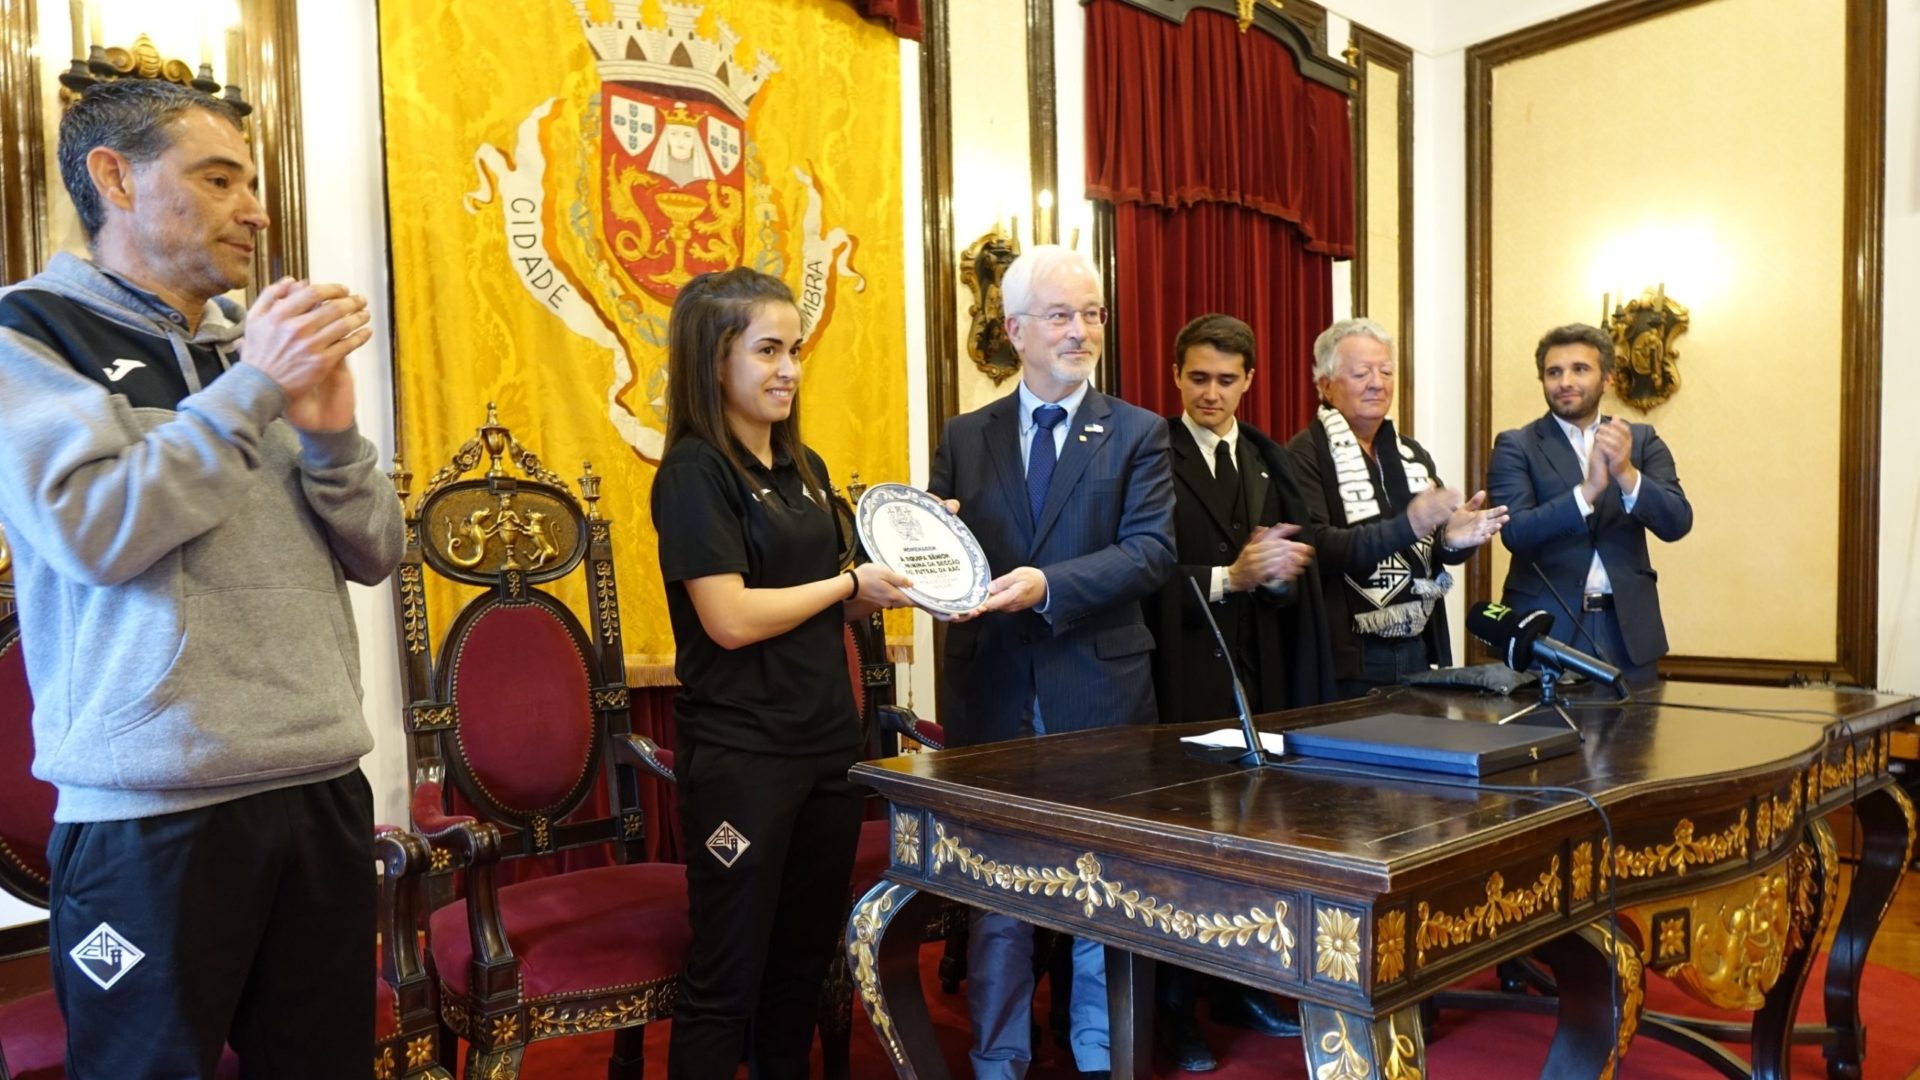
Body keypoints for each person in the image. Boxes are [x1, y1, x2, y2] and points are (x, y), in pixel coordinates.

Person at [0, 79, 401, 1077]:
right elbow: (97, 532)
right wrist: (254, 388)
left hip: (317, 783)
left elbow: (376, 551)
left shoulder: (248, 348)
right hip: (152, 811)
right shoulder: (32, 336)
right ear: (113, 180)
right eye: (218, 179)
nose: (255, 210)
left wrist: (332, 437)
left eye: (252, 183)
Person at [649, 267, 913, 1079]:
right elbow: (729, 619)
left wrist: (914, 563)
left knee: (800, 971)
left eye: (795, 350)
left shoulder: (807, 468)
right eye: (768, 350)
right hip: (744, 760)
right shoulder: (696, 472)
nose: (789, 370)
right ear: (712, 360)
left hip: (827, 750)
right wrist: (845, 585)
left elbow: (824, 601)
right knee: (728, 978)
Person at [929, 244, 1175, 1079]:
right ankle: (999, 1056)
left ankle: (1099, 1051)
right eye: (1063, 315)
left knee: (1098, 883)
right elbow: (943, 553)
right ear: (1014, 329)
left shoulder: (1139, 432)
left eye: (1094, 313)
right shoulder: (965, 437)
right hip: (991, 690)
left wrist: (1047, 585)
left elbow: (1151, 554)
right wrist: (929, 546)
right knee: (1000, 889)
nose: (1082, 331)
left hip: (1097, 688)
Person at [1145, 313, 1334, 1071]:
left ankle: (1232, 986)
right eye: (1198, 378)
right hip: (1180, 676)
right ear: (1175, 377)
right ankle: (1172, 1007)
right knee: (1181, 852)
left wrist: (1282, 577)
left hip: (1258, 675)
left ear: (1250, 381)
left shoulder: (1263, 460)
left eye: (1227, 380)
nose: (1211, 394)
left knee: (1247, 843)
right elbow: (1140, 571)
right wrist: (1232, 577)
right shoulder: (1151, 453)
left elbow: (1288, 570)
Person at [1286, 318, 1508, 700]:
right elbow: (1320, 547)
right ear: (1325, 386)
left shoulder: (1409, 454)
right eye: (1361, 373)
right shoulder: (1303, 454)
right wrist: (1411, 523)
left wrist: (1455, 541)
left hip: (1416, 646)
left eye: (1386, 371)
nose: (1378, 382)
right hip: (1346, 655)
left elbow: (1433, 549)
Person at [1487, 323, 1693, 686]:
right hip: (1545, 632)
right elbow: (1516, 533)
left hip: (1627, 632)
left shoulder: (1640, 440)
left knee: (1636, 742)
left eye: (1580, 369)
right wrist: (1589, 491)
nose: (1565, 381)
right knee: (1547, 742)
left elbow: (1677, 522)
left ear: (1608, 378)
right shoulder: (1516, 445)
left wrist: (1627, 473)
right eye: (1554, 372)